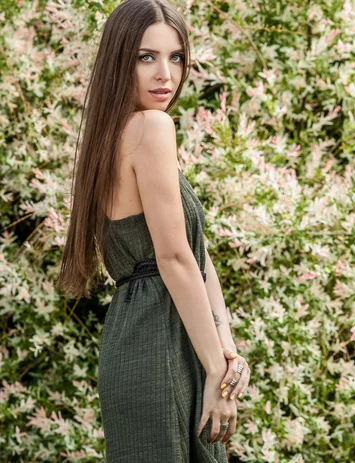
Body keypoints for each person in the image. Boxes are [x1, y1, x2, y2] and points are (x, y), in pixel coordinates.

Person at [56, 0, 250, 461]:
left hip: (141, 336)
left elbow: (196, 256)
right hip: (161, 339)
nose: (165, 74)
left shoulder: (110, 137)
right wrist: (215, 369)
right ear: (120, 60)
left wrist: (226, 353)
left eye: (176, 57)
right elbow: (175, 258)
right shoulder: (151, 128)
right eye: (147, 57)